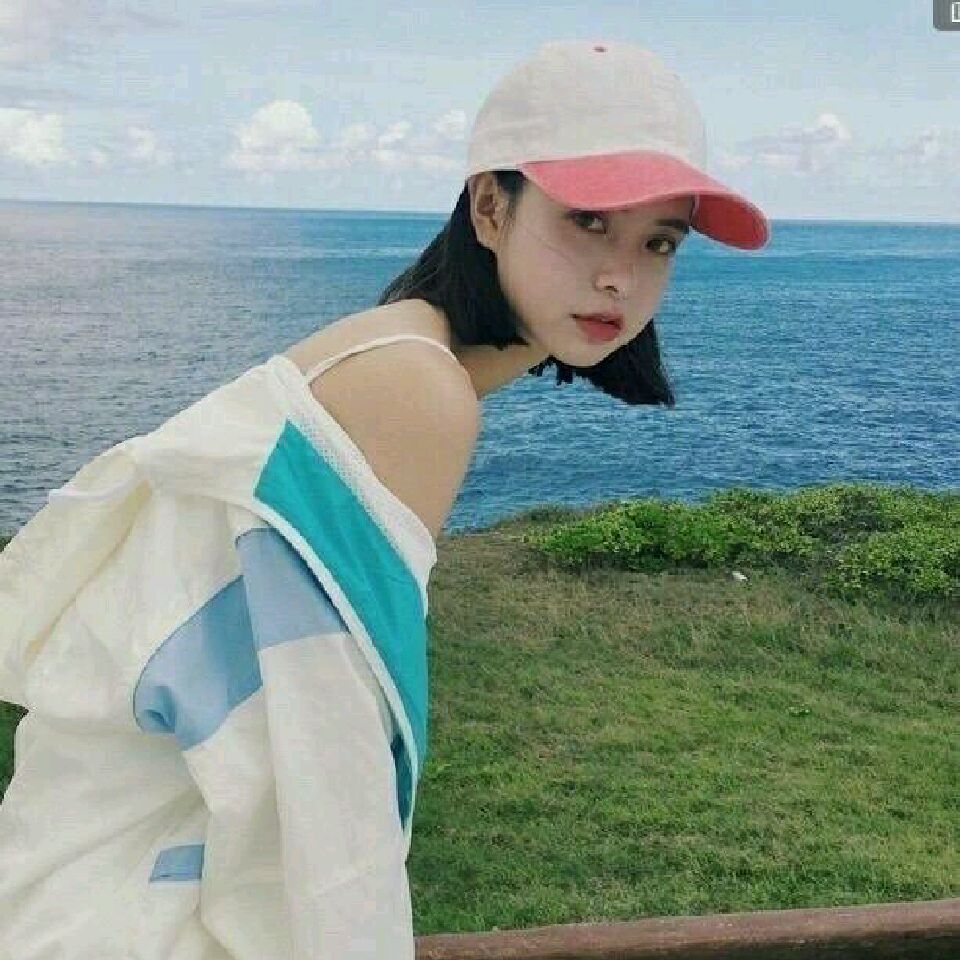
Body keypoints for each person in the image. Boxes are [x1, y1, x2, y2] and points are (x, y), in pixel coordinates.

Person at [0, 38, 769, 960]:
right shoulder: (417, 390)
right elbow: (327, 786)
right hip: (130, 912)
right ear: (490, 206)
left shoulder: (395, 351)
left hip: (91, 874)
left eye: (659, 241)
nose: (622, 276)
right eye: (589, 221)